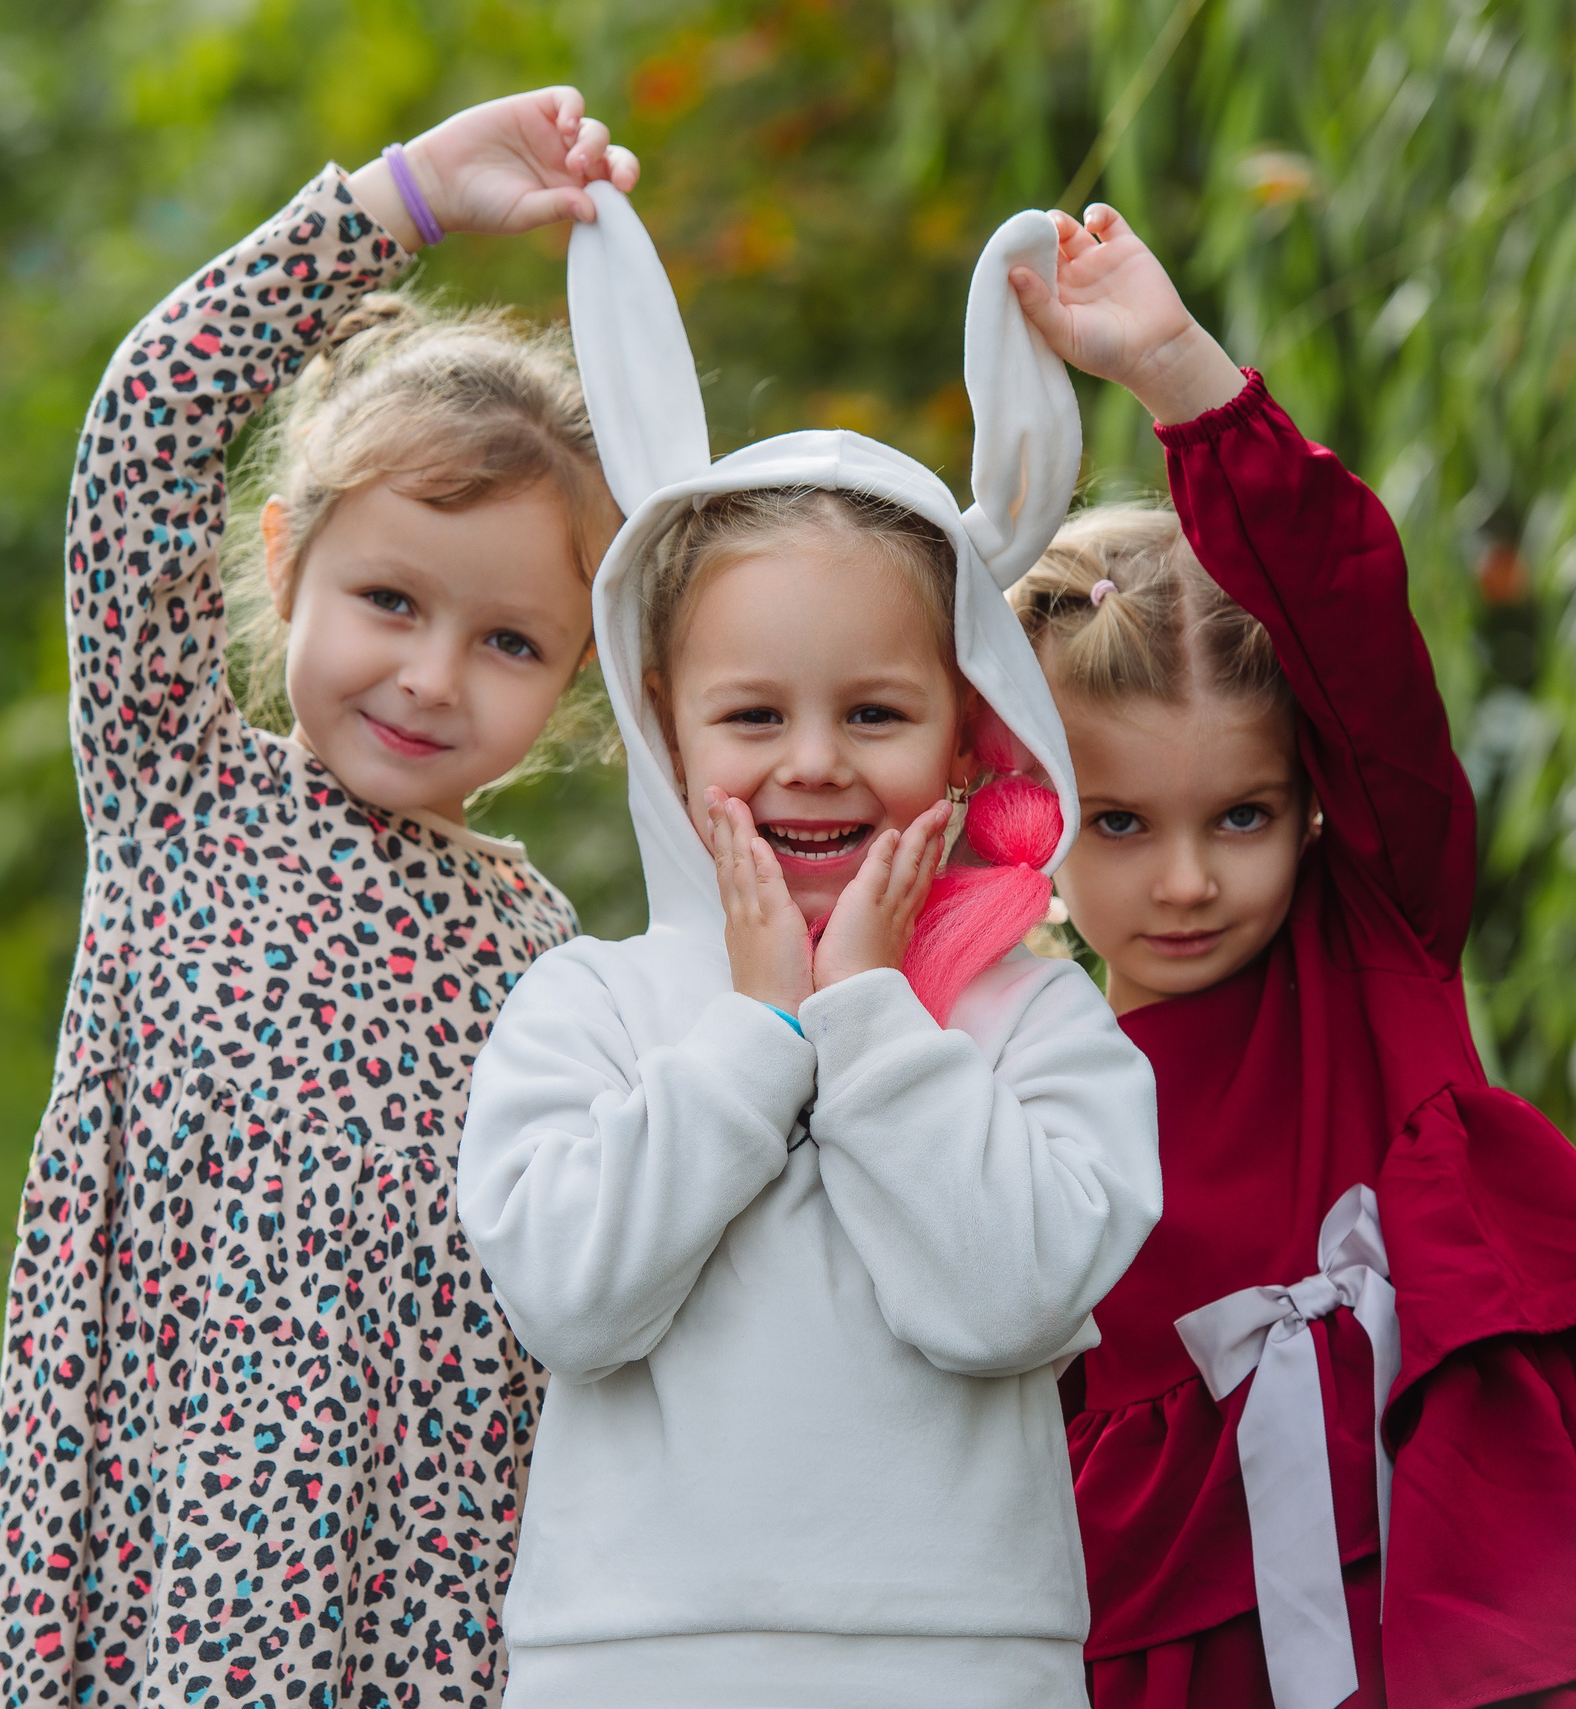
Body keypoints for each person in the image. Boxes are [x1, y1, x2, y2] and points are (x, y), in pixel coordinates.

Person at [1005, 205, 1576, 1709]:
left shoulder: (1371, 939)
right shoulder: (1004, 1065)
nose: (1188, 879)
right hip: (1179, 1618)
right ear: (1029, 815)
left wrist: (1181, 375)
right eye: (1118, 821)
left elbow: (1352, 632)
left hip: (1482, 1579)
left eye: (1241, 815)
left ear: (1315, 802)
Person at [454, 185, 1162, 1709]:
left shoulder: (1039, 1024)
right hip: (632, 1661)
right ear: (663, 722)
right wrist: (755, 1035)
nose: (816, 764)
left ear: (971, 737)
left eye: (877, 714)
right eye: (755, 716)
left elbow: (1011, 1302)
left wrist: (867, 1023)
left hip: (961, 1663)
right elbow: (572, 1296)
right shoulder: (592, 1005)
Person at [0, 89, 639, 1709]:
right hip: (182, 1549)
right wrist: (398, 203)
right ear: (284, 568)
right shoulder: (179, 797)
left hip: (434, 1578)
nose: (428, 675)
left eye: (507, 642)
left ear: (570, 681)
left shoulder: (540, 944)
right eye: (389, 600)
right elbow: (145, 427)